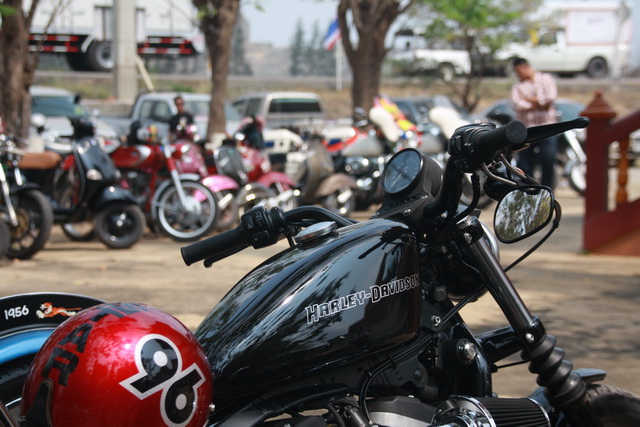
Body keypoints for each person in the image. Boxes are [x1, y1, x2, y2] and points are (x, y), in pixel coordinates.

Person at [510, 57, 559, 188]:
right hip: (527, 129)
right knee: (525, 164)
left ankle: (547, 189)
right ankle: (528, 190)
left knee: (548, 159)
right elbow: (516, 104)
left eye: (518, 71)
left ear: (525, 67)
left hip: (547, 127)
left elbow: (550, 98)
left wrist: (529, 99)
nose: (518, 75)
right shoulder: (518, 86)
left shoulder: (546, 79)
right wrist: (540, 103)